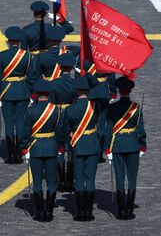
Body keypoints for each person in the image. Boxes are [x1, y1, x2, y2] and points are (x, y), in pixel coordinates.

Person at [20, 80, 64, 222]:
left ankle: (40, 212)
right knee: (52, 183)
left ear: (37, 94)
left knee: (37, 183)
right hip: (51, 147)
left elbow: (25, 132)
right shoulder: (56, 110)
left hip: (36, 148)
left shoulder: (30, 110)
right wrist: (59, 146)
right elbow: (60, 131)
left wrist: (24, 148)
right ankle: (49, 212)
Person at [104, 77, 147, 220]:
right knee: (132, 178)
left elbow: (109, 129)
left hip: (117, 145)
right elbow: (140, 129)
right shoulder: (135, 107)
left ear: (118, 90)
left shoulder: (112, 108)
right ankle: (129, 210)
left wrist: (107, 149)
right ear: (130, 90)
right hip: (133, 145)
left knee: (120, 178)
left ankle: (121, 211)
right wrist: (143, 145)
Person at [0, 26, 32, 164]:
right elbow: (31, 76)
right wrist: (32, 94)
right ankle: (20, 154)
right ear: (20, 41)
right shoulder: (27, 55)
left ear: (8, 41)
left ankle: (11, 155)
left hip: (6, 92)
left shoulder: (2, 55)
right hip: (22, 91)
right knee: (20, 123)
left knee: (9, 124)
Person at [63, 76, 100, 221]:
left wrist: (72, 138)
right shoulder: (95, 106)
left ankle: (80, 213)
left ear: (76, 90)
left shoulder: (70, 109)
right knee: (90, 179)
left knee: (79, 180)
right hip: (92, 143)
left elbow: (65, 131)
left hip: (78, 145)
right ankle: (89, 212)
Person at [49, 53, 78, 192]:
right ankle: (70, 180)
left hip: (59, 117)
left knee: (59, 148)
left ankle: (60, 180)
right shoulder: (76, 84)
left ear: (59, 67)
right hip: (72, 117)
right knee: (72, 149)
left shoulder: (53, 84)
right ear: (72, 67)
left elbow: (52, 105)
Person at [78, 60, 117, 163]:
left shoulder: (85, 58)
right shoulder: (104, 57)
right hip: (103, 92)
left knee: (89, 124)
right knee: (101, 125)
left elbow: (79, 75)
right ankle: (99, 152)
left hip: (90, 92)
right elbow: (111, 76)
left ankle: (90, 151)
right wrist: (113, 92)